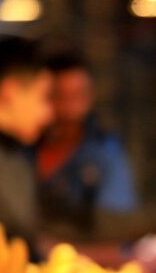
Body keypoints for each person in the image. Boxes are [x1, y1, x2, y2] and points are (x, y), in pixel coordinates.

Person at [35, 50, 141, 244]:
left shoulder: (104, 151)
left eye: (79, 95)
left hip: (86, 264)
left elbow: (114, 223)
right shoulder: (24, 150)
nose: (71, 107)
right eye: (61, 96)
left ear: (91, 96)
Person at [0, 35, 53, 257]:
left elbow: (57, 218)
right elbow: (20, 235)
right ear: (9, 92)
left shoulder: (20, 152)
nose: (48, 114)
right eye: (43, 97)